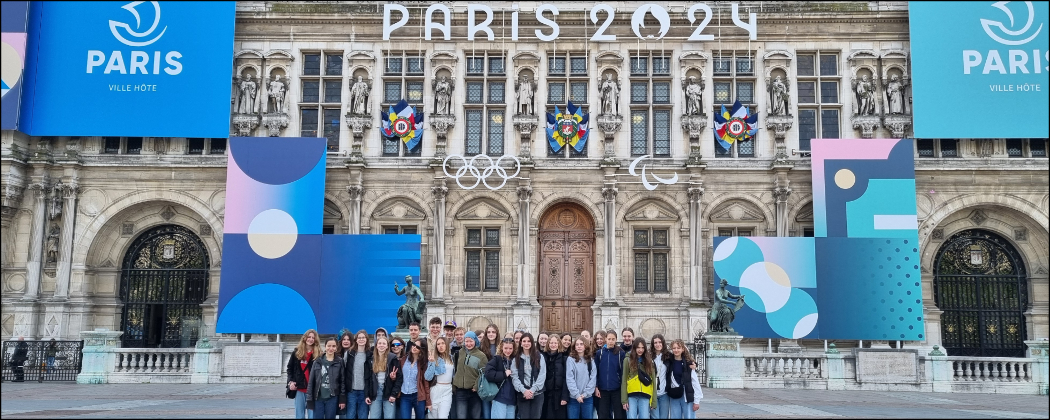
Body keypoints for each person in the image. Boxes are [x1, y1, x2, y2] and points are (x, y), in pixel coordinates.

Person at [307, 337, 347, 419]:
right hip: (318, 398)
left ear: (336, 347)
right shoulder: (317, 362)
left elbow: (342, 381)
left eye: (333, 346)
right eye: (329, 346)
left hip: (332, 398)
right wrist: (309, 400)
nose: (331, 348)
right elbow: (311, 382)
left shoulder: (339, 361)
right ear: (325, 346)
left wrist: (342, 399)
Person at [453, 331, 488, 419]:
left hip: (474, 392)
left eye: (471, 341)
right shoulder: (459, 352)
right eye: (467, 341)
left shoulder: (481, 355)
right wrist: (454, 385)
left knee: (475, 416)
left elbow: (483, 373)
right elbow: (455, 370)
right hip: (460, 391)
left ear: (475, 341)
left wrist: (476, 386)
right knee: (461, 416)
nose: (468, 344)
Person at [393, 339, 431, 420]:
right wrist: (394, 377)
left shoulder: (423, 363)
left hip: (418, 395)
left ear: (422, 349)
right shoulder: (403, 360)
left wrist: (428, 401)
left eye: (417, 346)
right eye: (414, 345)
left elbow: (426, 383)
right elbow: (399, 377)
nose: (414, 347)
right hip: (404, 395)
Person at [511, 333, 547, 419]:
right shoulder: (516, 359)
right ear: (520, 343)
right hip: (523, 393)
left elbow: (542, 375)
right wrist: (524, 391)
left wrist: (532, 390)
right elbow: (514, 377)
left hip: (538, 393)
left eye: (529, 341)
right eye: (524, 341)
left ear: (532, 343)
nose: (526, 343)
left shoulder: (539, 356)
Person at [664, 340, 702, 419]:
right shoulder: (669, 362)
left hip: (686, 395)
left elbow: (695, 381)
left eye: (678, 348)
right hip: (674, 394)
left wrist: (697, 401)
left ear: (683, 349)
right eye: (674, 348)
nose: (676, 350)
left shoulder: (689, 363)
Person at [289, 330, 321, 419]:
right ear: (305, 338)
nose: (310, 339)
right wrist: (290, 382)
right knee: (299, 415)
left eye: (313, 338)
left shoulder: (318, 354)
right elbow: (290, 369)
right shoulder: (296, 352)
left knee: (312, 416)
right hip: (299, 389)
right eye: (309, 337)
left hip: (313, 390)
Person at [621, 338, 655, 420]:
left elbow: (653, 381)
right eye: (638, 347)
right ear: (634, 348)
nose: (640, 350)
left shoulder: (649, 361)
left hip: (645, 395)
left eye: (642, 348)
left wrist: (653, 401)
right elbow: (624, 380)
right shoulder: (627, 360)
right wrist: (624, 400)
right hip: (632, 395)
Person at [595, 329, 625, 419]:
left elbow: (623, 371)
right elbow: (596, 372)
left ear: (616, 340)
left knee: (619, 414)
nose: (611, 341)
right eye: (609, 339)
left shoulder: (621, 353)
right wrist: (596, 387)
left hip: (616, 389)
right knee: (603, 414)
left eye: (613, 339)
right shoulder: (599, 353)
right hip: (603, 390)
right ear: (605, 339)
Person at [486, 338, 518, 419]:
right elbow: (488, 374)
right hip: (499, 397)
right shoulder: (497, 359)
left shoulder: (516, 360)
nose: (508, 351)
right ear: (501, 348)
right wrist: (503, 374)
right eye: (506, 348)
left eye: (510, 348)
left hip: (512, 398)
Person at [566, 337, 597, 420]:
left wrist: (585, 394)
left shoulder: (590, 360)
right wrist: (577, 395)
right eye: (577, 344)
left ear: (585, 346)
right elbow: (570, 378)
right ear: (574, 347)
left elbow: (593, 378)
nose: (579, 346)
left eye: (581, 344)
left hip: (587, 398)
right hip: (573, 398)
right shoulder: (570, 360)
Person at [367, 337, 398, 419]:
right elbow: (367, 378)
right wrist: (367, 395)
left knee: (389, 417)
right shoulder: (371, 359)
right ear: (376, 345)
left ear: (387, 346)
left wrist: (393, 394)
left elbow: (399, 378)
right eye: (379, 343)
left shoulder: (392, 358)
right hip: (375, 393)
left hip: (388, 392)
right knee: (374, 417)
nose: (381, 345)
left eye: (384, 343)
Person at [344, 330, 372, 419]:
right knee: (350, 416)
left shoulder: (370, 354)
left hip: (364, 392)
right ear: (356, 340)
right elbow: (344, 370)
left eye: (363, 337)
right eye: (359, 338)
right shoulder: (349, 353)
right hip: (351, 391)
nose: (361, 339)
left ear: (366, 339)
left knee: (363, 416)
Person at [427, 337, 456, 419]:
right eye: (438, 344)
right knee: (433, 416)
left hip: (447, 389)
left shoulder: (452, 358)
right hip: (436, 389)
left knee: (443, 416)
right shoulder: (433, 358)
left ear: (447, 344)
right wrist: (432, 363)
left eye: (443, 343)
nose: (440, 346)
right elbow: (428, 377)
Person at [542, 334, 569, 419]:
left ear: (559, 344)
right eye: (551, 343)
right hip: (547, 394)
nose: (553, 345)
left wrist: (565, 396)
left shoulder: (564, 358)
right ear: (548, 344)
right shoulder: (543, 357)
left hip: (559, 394)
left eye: (555, 343)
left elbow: (566, 378)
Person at [649, 335, 670, 419]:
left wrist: (693, 364)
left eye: (660, 342)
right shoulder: (648, 357)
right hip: (652, 393)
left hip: (664, 393)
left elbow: (682, 358)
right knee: (655, 417)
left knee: (664, 417)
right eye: (655, 343)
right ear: (653, 344)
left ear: (663, 343)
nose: (658, 344)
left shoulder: (669, 357)